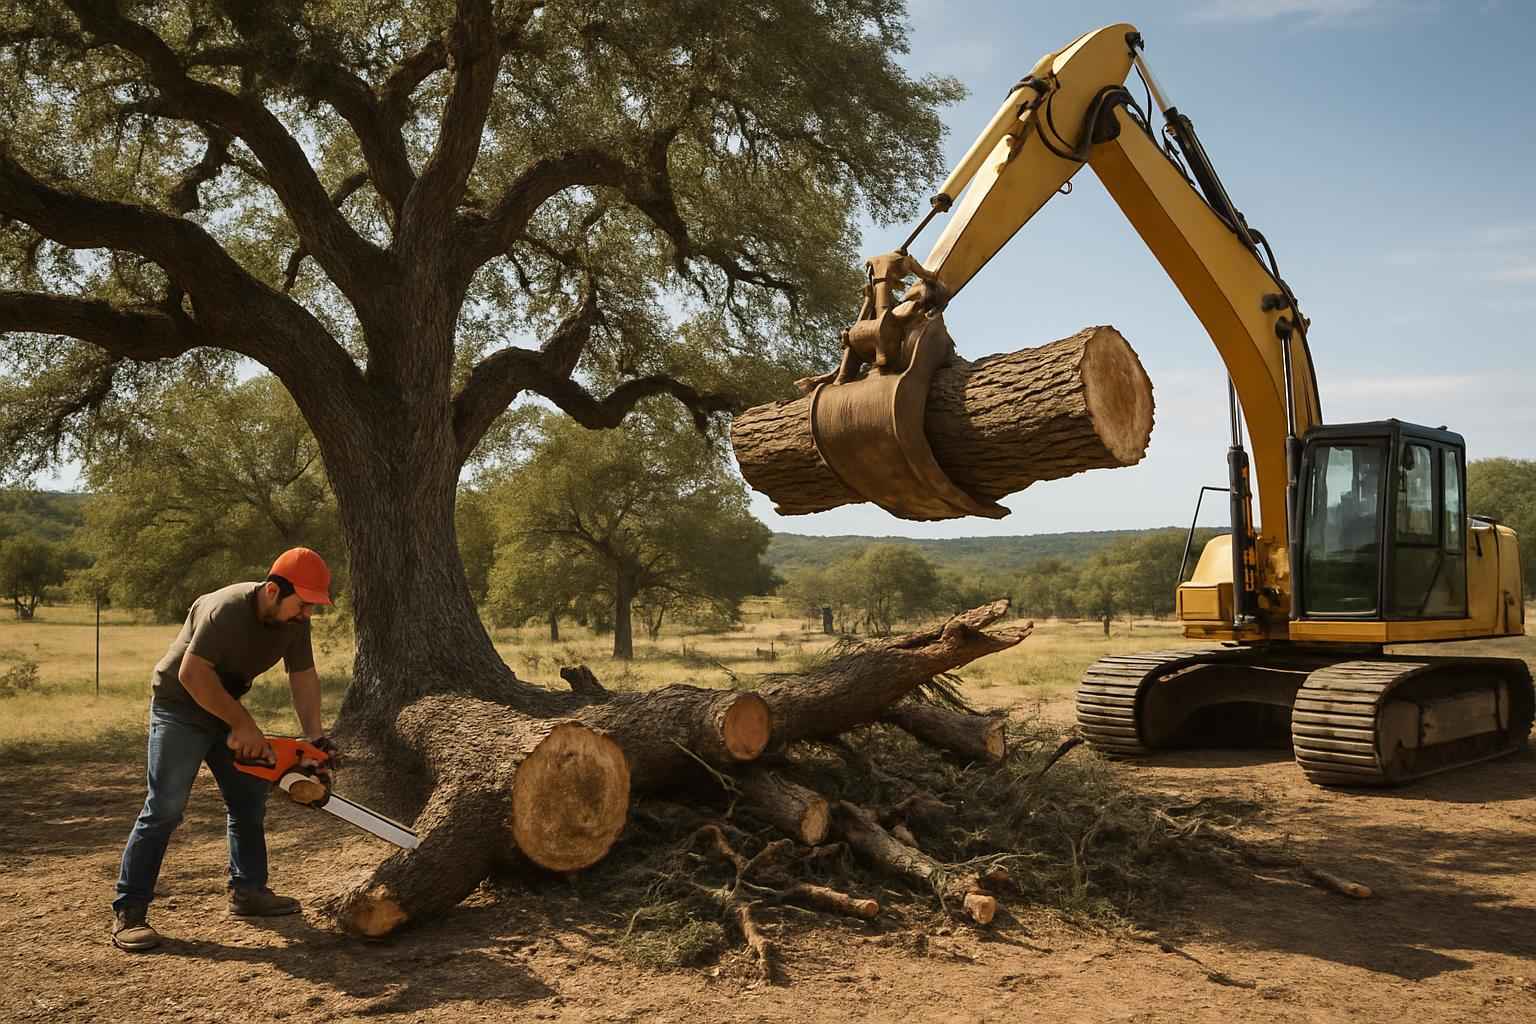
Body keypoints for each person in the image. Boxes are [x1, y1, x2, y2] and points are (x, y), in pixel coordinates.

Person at [110, 547, 340, 952]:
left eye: (312, 606)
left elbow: (303, 676)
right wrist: (242, 724)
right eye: (302, 605)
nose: (307, 614)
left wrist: (315, 741)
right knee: (165, 806)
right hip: (180, 705)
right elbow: (192, 674)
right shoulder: (227, 608)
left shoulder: (294, 622)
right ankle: (130, 912)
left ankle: (248, 892)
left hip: (224, 705)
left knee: (248, 798)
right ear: (272, 590)